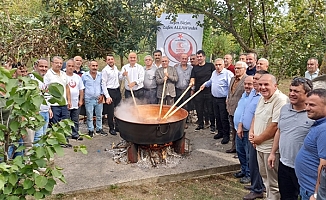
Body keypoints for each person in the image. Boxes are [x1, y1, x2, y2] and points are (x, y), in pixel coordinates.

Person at [267, 77, 314, 200]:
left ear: (307, 94)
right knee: (286, 196)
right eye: (291, 90)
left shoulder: (313, 115)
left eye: (296, 91)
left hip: (305, 168)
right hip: (284, 164)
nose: (292, 94)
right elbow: (280, 131)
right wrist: (272, 153)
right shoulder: (285, 109)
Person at [249, 74, 288, 199]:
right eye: (260, 84)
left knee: (273, 183)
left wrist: (258, 139)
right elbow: (256, 116)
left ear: (275, 86)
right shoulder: (262, 97)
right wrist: (252, 133)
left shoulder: (280, 100)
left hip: (271, 149)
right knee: (265, 178)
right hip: (259, 146)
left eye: (266, 84)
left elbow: (275, 126)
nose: (262, 87)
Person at [295, 88, 326, 200]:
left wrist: (317, 194)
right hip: (307, 188)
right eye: (306, 104)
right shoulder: (319, 124)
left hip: (313, 192)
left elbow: (324, 166)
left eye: (312, 105)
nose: (307, 108)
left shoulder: (324, 130)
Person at [242, 70, 269, 200]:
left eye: (257, 79)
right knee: (252, 162)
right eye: (254, 79)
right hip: (252, 134)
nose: (254, 81)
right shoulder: (254, 93)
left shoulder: (265, 96)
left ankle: (258, 189)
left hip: (261, 138)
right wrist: (250, 131)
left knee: (258, 164)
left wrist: (257, 137)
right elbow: (253, 115)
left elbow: (273, 124)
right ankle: (256, 185)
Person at [200, 58, 233, 140]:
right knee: (217, 116)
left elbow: (231, 87)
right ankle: (220, 132)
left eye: (220, 65)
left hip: (223, 99)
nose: (218, 67)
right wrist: (204, 84)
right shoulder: (214, 73)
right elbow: (211, 81)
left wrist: (228, 99)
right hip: (214, 98)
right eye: (216, 65)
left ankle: (226, 135)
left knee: (223, 117)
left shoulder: (228, 74)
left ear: (223, 65)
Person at [44, 56, 72, 147]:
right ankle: (55, 142)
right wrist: (48, 106)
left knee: (65, 122)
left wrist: (69, 100)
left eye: (60, 63)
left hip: (63, 103)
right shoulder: (48, 74)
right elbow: (45, 90)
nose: (59, 65)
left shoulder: (64, 74)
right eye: (57, 63)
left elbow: (67, 87)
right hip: (53, 103)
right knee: (54, 123)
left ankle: (64, 140)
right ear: (52, 63)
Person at [233, 76, 254, 184]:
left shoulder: (256, 97)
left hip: (248, 131)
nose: (247, 86)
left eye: (249, 84)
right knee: (240, 152)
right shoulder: (244, 94)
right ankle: (243, 170)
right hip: (239, 129)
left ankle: (249, 174)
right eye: (245, 84)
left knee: (248, 154)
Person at [190, 50, 215, 131]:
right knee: (199, 109)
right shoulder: (195, 68)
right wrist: (191, 84)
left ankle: (212, 125)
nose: (199, 58)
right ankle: (201, 124)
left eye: (200, 56)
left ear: (204, 57)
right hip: (198, 91)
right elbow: (192, 78)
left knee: (209, 109)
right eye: (198, 57)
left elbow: (214, 76)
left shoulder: (210, 66)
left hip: (209, 91)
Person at [29, 58, 52, 145]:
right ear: (35, 67)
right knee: (38, 136)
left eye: (46, 67)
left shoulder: (47, 79)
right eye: (41, 66)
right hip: (37, 112)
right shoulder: (32, 79)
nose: (44, 69)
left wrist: (49, 108)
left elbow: (47, 96)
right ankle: (36, 157)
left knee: (43, 136)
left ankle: (40, 156)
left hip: (46, 111)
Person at [226, 61, 248, 149]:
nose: (236, 70)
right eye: (235, 68)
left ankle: (240, 149)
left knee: (240, 130)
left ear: (244, 69)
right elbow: (230, 93)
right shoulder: (232, 79)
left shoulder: (247, 80)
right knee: (233, 130)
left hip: (240, 110)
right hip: (231, 108)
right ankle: (234, 147)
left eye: (239, 68)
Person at [82, 61, 107, 137]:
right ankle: (91, 130)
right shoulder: (84, 76)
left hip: (98, 98)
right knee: (89, 116)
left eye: (96, 66)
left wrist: (102, 95)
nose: (94, 67)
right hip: (89, 99)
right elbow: (82, 88)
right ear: (89, 66)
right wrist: (82, 98)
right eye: (93, 66)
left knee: (99, 115)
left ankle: (99, 129)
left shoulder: (100, 75)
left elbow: (102, 85)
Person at [102, 55, 122, 135]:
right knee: (110, 111)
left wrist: (123, 74)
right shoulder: (105, 70)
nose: (110, 61)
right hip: (110, 91)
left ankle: (117, 127)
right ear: (106, 61)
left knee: (118, 109)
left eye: (112, 59)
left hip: (117, 90)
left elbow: (120, 78)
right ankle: (111, 128)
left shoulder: (116, 68)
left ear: (114, 60)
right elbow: (103, 84)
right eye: (109, 59)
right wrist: (107, 96)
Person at [66, 59, 85, 140]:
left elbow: (81, 90)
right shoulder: (63, 76)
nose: (71, 67)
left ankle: (75, 134)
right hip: (65, 102)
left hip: (76, 102)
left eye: (72, 66)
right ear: (66, 67)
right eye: (69, 66)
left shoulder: (77, 77)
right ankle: (66, 135)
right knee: (66, 120)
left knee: (75, 119)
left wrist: (81, 100)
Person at [175, 54, 193, 128]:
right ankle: (177, 121)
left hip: (187, 90)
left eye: (185, 59)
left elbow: (193, 78)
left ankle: (184, 122)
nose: (184, 60)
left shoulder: (191, 68)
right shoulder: (176, 68)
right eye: (183, 58)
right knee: (178, 106)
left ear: (187, 60)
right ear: (180, 59)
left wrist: (192, 89)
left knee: (186, 106)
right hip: (178, 90)